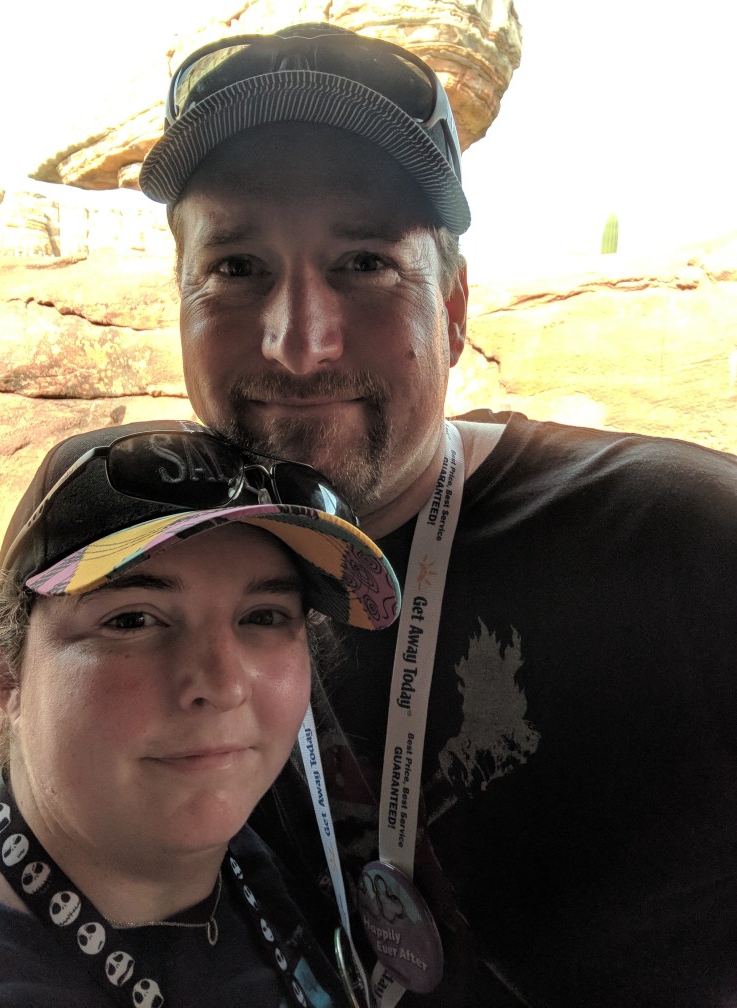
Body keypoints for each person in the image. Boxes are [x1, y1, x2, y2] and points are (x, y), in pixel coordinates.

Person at [138, 23, 737, 1007]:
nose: (299, 343)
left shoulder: (689, 540)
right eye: (238, 267)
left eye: (364, 261)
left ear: (454, 311)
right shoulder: (151, 578)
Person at [0, 418, 402, 1007]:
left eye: (263, 616)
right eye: (132, 619)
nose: (223, 685)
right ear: (7, 674)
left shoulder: (264, 847)